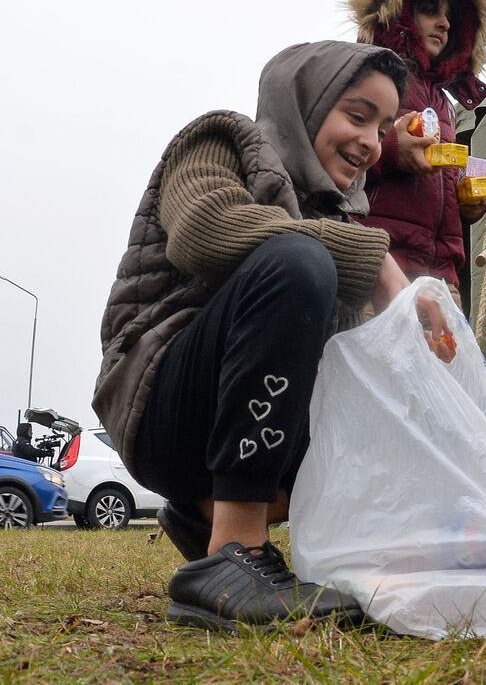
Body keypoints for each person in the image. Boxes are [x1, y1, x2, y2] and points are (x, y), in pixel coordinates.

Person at [92, 41, 448, 632]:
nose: (371, 142)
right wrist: (378, 263)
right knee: (298, 261)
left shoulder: (335, 217)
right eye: (357, 116)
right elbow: (206, 231)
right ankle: (235, 548)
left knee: (379, 407)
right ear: (305, 102)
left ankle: (207, 512)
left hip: (241, 432)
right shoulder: (219, 141)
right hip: (161, 405)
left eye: (383, 128)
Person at [347, 0, 486, 307]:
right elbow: (327, 156)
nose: (444, 23)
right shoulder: (368, 73)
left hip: (443, 280)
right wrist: (390, 149)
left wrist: (463, 205)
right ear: (401, 11)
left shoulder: (444, 104)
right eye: (430, 9)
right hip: (382, 269)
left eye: (451, 16)